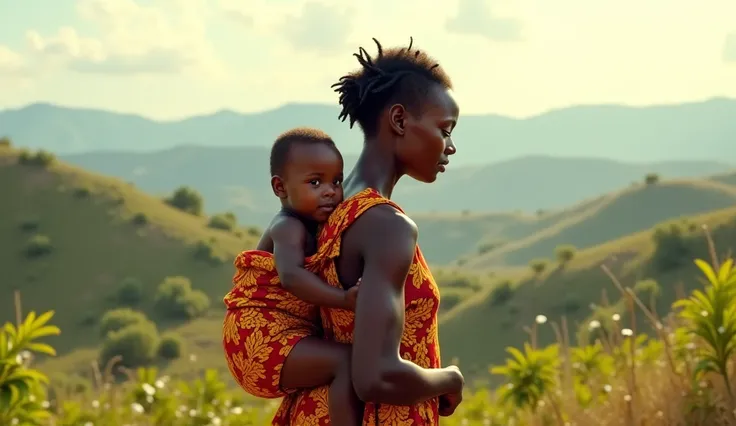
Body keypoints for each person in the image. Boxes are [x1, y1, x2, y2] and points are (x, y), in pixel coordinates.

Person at [271, 37, 465, 425]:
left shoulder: (328, 207)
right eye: (445, 130)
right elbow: (375, 376)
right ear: (398, 120)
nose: (451, 147)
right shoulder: (386, 226)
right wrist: (450, 379)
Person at [222, 127, 363, 425]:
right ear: (280, 187)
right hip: (259, 338)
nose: (330, 190)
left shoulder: (314, 224)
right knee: (347, 362)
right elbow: (291, 277)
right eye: (315, 182)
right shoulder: (288, 227)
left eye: (336, 181)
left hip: (283, 335)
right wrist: (344, 300)